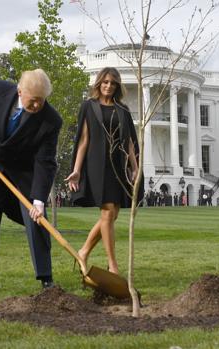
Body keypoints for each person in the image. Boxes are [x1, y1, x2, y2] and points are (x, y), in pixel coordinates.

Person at [0, 69, 62, 292]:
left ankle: (46, 278)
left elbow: (45, 161)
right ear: (20, 91)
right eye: (33, 100)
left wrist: (39, 199)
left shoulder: (51, 120)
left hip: (24, 172)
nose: (37, 106)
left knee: (36, 219)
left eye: (42, 101)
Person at [65, 67, 142, 275]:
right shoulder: (89, 106)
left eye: (113, 83)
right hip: (98, 165)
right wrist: (77, 170)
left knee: (112, 214)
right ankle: (113, 266)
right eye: (105, 82)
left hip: (118, 165)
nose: (109, 86)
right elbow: (83, 140)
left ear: (117, 86)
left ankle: (83, 251)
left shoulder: (122, 109)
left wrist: (135, 168)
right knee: (107, 212)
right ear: (99, 83)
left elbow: (129, 142)